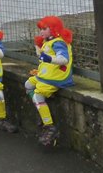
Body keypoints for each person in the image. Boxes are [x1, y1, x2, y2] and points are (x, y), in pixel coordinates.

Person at [25, 15, 74, 146]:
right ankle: (41, 110)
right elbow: (42, 56)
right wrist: (37, 46)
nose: (41, 31)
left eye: (44, 29)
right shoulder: (49, 41)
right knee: (28, 85)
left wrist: (49, 59)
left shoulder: (58, 42)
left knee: (37, 96)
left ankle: (49, 126)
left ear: (53, 29)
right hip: (46, 74)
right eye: (40, 29)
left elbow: (64, 60)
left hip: (56, 77)